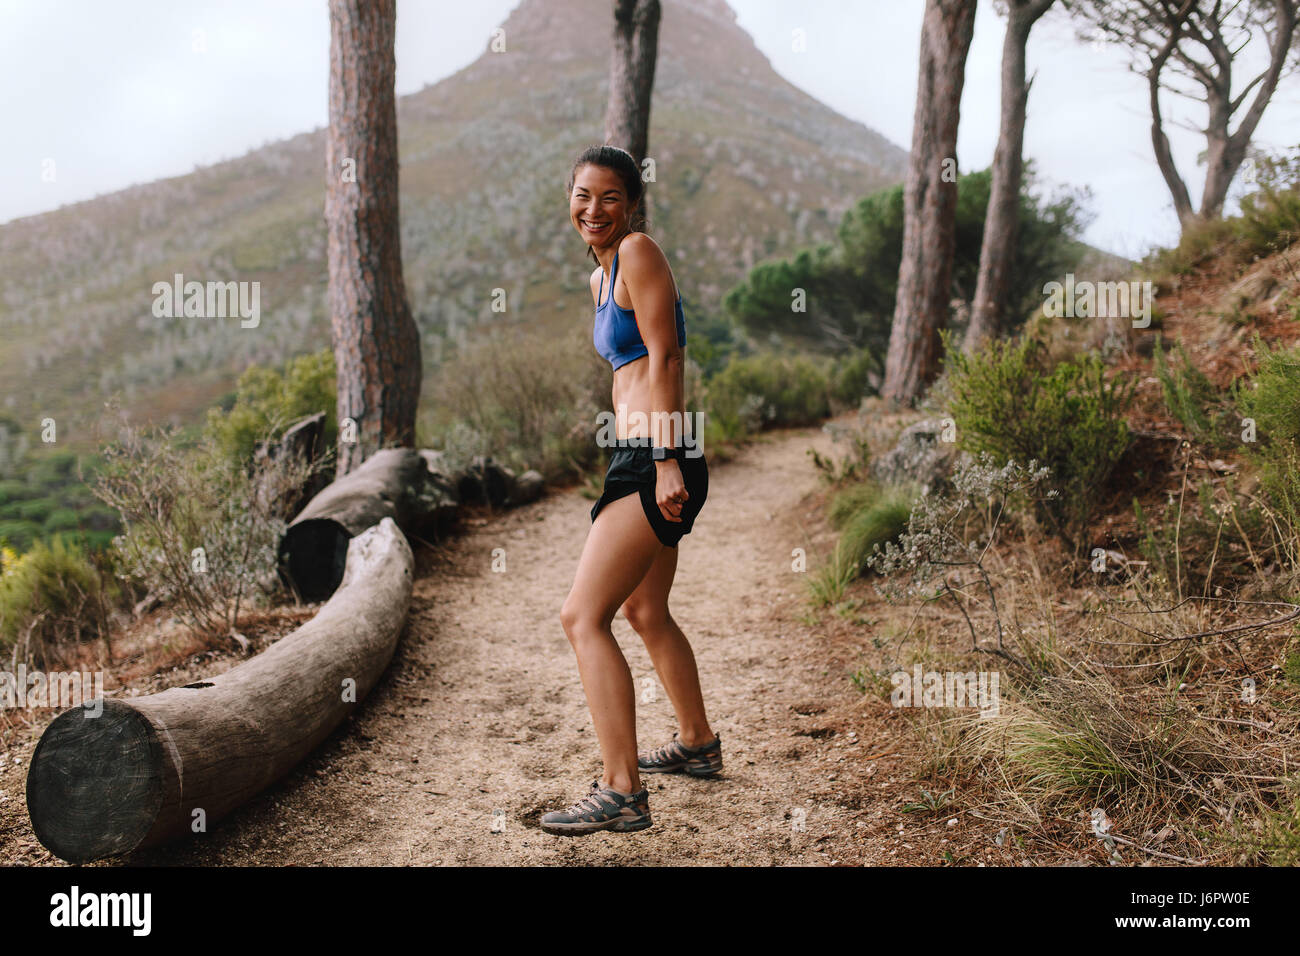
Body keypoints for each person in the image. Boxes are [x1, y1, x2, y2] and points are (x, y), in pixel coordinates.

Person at [540, 145, 721, 836]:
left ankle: (621, 789)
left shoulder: (640, 252)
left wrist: (668, 459)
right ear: (570, 198)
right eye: (583, 195)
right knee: (646, 611)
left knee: (582, 617)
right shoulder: (600, 277)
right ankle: (698, 744)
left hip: (655, 455)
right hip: (638, 453)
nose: (594, 209)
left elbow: (668, 355)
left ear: (631, 204)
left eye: (609, 196)